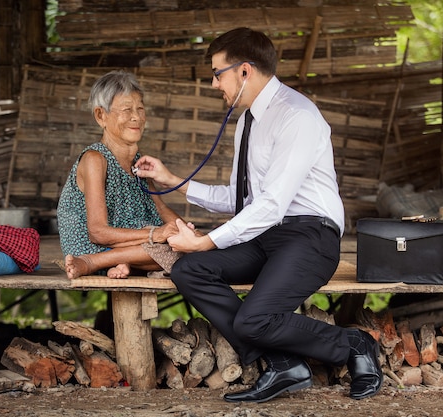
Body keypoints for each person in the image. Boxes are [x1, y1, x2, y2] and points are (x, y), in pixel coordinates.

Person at [135, 28, 383, 402]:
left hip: (310, 237)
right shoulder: (246, 122)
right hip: (266, 235)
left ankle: (355, 343)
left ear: (244, 71)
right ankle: (285, 365)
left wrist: (205, 241)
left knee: (253, 318)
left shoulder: (297, 116)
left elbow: (273, 204)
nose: (215, 84)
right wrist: (173, 180)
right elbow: (244, 200)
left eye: (218, 73)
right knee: (189, 270)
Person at [57, 70, 182, 280]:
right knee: (174, 252)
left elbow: (161, 208)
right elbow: (97, 232)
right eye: (126, 110)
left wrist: (189, 233)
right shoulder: (95, 159)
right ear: (101, 116)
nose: (136, 117)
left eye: (140, 109)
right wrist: (156, 234)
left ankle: (124, 263)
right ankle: (92, 263)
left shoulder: (138, 162)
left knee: (186, 247)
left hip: (133, 243)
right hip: (92, 246)